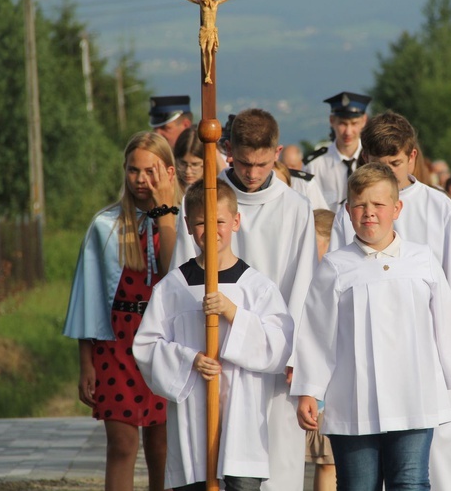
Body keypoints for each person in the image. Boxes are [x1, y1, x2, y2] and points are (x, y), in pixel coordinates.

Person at [292, 163, 451, 491]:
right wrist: (308, 390)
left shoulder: (422, 260)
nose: (369, 213)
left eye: (379, 205)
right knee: (358, 485)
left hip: (413, 396)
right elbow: (316, 334)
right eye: (360, 206)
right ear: (349, 211)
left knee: (410, 482)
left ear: (397, 208)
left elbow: (448, 326)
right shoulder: (336, 267)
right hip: (354, 401)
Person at [329, 111, 451, 490]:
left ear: (413, 157)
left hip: (432, 363)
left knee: (437, 471)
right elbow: (336, 289)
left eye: (395, 164)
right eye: (376, 165)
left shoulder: (439, 208)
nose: (386, 173)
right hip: (369, 364)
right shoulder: (351, 212)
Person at [172, 108, 318, 491]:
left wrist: (297, 356)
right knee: (210, 465)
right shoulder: (203, 199)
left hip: (273, 356)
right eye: (244, 162)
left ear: (278, 152)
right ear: (227, 150)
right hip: (211, 356)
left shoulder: (296, 208)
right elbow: (181, 281)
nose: (252, 174)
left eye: (262, 163)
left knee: (275, 468)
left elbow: (303, 287)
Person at [133, 179, 294, 491]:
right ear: (188, 225)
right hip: (193, 422)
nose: (211, 230)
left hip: (242, 423)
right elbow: (146, 346)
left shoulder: (257, 287)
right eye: (201, 223)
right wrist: (189, 359)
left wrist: (234, 314)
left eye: (219, 221)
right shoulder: (173, 287)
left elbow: (280, 346)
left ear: (235, 221)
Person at [63, 131, 181, 491]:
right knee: (122, 444)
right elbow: (89, 299)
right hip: (117, 344)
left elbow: (172, 271)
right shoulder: (105, 225)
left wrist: (165, 215)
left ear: (170, 173)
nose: (142, 180)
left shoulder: (183, 223)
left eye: (151, 171)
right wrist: (87, 363)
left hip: (164, 340)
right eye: (134, 171)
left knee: (162, 447)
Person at [303, 208, 337, 491]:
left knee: (328, 461)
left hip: (328, 386)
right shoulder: (296, 277)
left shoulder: (337, 275)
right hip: (297, 383)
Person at [303, 91, 371, 211]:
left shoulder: (372, 160)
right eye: (343, 124)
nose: (348, 132)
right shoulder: (315, 165)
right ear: (332, 121)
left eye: (354, 123)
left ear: (364, 120)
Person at [170, 0, 246, 84]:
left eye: (205, 0)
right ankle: (207, 74)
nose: (204, 2)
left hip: (211, 31)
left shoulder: (216, 3)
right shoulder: (201, 5)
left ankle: (208, 74)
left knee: (209, 51)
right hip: (204, 30)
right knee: (203, 50)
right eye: (203, 1)